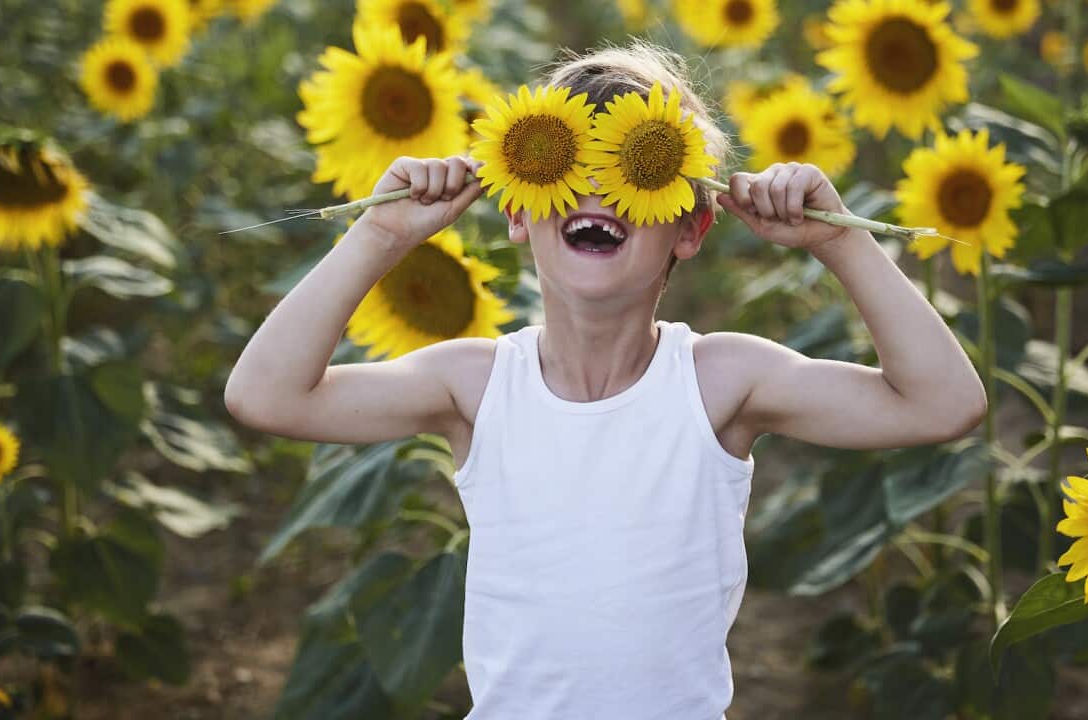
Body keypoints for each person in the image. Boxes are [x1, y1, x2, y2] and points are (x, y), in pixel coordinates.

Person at [224, 41, 986, 720]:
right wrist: (380, 232)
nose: (597, 192)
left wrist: (839, 245)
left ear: (690, 228)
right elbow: (265, 395)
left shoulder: (719, 381)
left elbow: (944, 404)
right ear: (519, 210)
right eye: (561, 165)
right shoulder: (478, 384)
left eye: (637, 170)